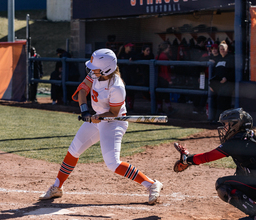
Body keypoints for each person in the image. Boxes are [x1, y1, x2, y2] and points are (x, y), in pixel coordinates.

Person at [39, 48, 163, 204]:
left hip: (114, 122)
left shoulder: (117, 87)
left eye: (95, 68)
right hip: (97, 119)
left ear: (106, 69)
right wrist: (85, 111)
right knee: (74, 150)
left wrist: (99, 117)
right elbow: (83, 90)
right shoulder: (95, 75)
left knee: (112, 163)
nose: (91, 70)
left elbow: (114, 112)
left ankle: (151, 185)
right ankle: (57, 187)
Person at [173, 108, 256, 220]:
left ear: (235, 125)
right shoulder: (253, 137)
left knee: (223, 184)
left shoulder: (236, 143)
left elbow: (206, 157)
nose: (224, 128)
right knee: (240, 176)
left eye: (227, 124)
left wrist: (186, 159)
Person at [209, 41, 235, 123]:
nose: (222, 50)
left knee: (222, 101)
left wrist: (227, 78)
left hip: (227, 84)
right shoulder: (218, 59)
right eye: (220, 49)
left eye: (223, 49)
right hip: (217, 84)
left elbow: (233, 72)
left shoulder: (231, 58)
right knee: (214, 100)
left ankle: (221, 120)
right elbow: (215, 73)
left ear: (227, 49)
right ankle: (215, 118)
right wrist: (212, 84)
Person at [117, 43, 137, 112]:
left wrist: (133, 58)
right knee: (123, 91)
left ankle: (131, 106)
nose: (131, 48)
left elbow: (137, 57)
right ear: (126, 47)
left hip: (132, 74)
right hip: (124, 74)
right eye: (129, 47)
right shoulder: (121, 54)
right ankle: (122, 107)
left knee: (131, 91)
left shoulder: (133, 53)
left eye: (131, 47)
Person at [155, 41, 174, 114]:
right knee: (165, 94)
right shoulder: (164, 56)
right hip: (163, 78)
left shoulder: (159, 55)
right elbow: (165, 70)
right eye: (168, 48)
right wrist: (169, 79)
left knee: (160, 94)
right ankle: (168, 108)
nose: (169, 49)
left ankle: (161, 109)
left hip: (159, 78)